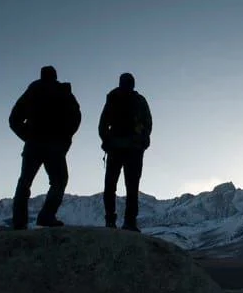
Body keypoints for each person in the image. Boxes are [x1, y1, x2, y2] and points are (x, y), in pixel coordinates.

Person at [9, 65, 81, 230]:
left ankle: (19, 222)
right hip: (54, 146)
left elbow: (14, 119)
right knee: (59, 181)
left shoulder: (33, 91)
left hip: (34, 144)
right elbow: (76, 118)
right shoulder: (63, 92)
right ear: (55, 76)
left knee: (25, 182)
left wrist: (27, 136)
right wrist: (65, 139)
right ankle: (47, 216)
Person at [98, 72, 152, 231]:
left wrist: (106, 140)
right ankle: (128, 222)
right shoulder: (138, 100)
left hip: (120, 147)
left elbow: (103, 124)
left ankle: (113, 220)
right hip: (131, 148)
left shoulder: (114, 98)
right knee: (130, 186)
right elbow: (148, 123)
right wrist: (143, 140)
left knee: (112, 185)